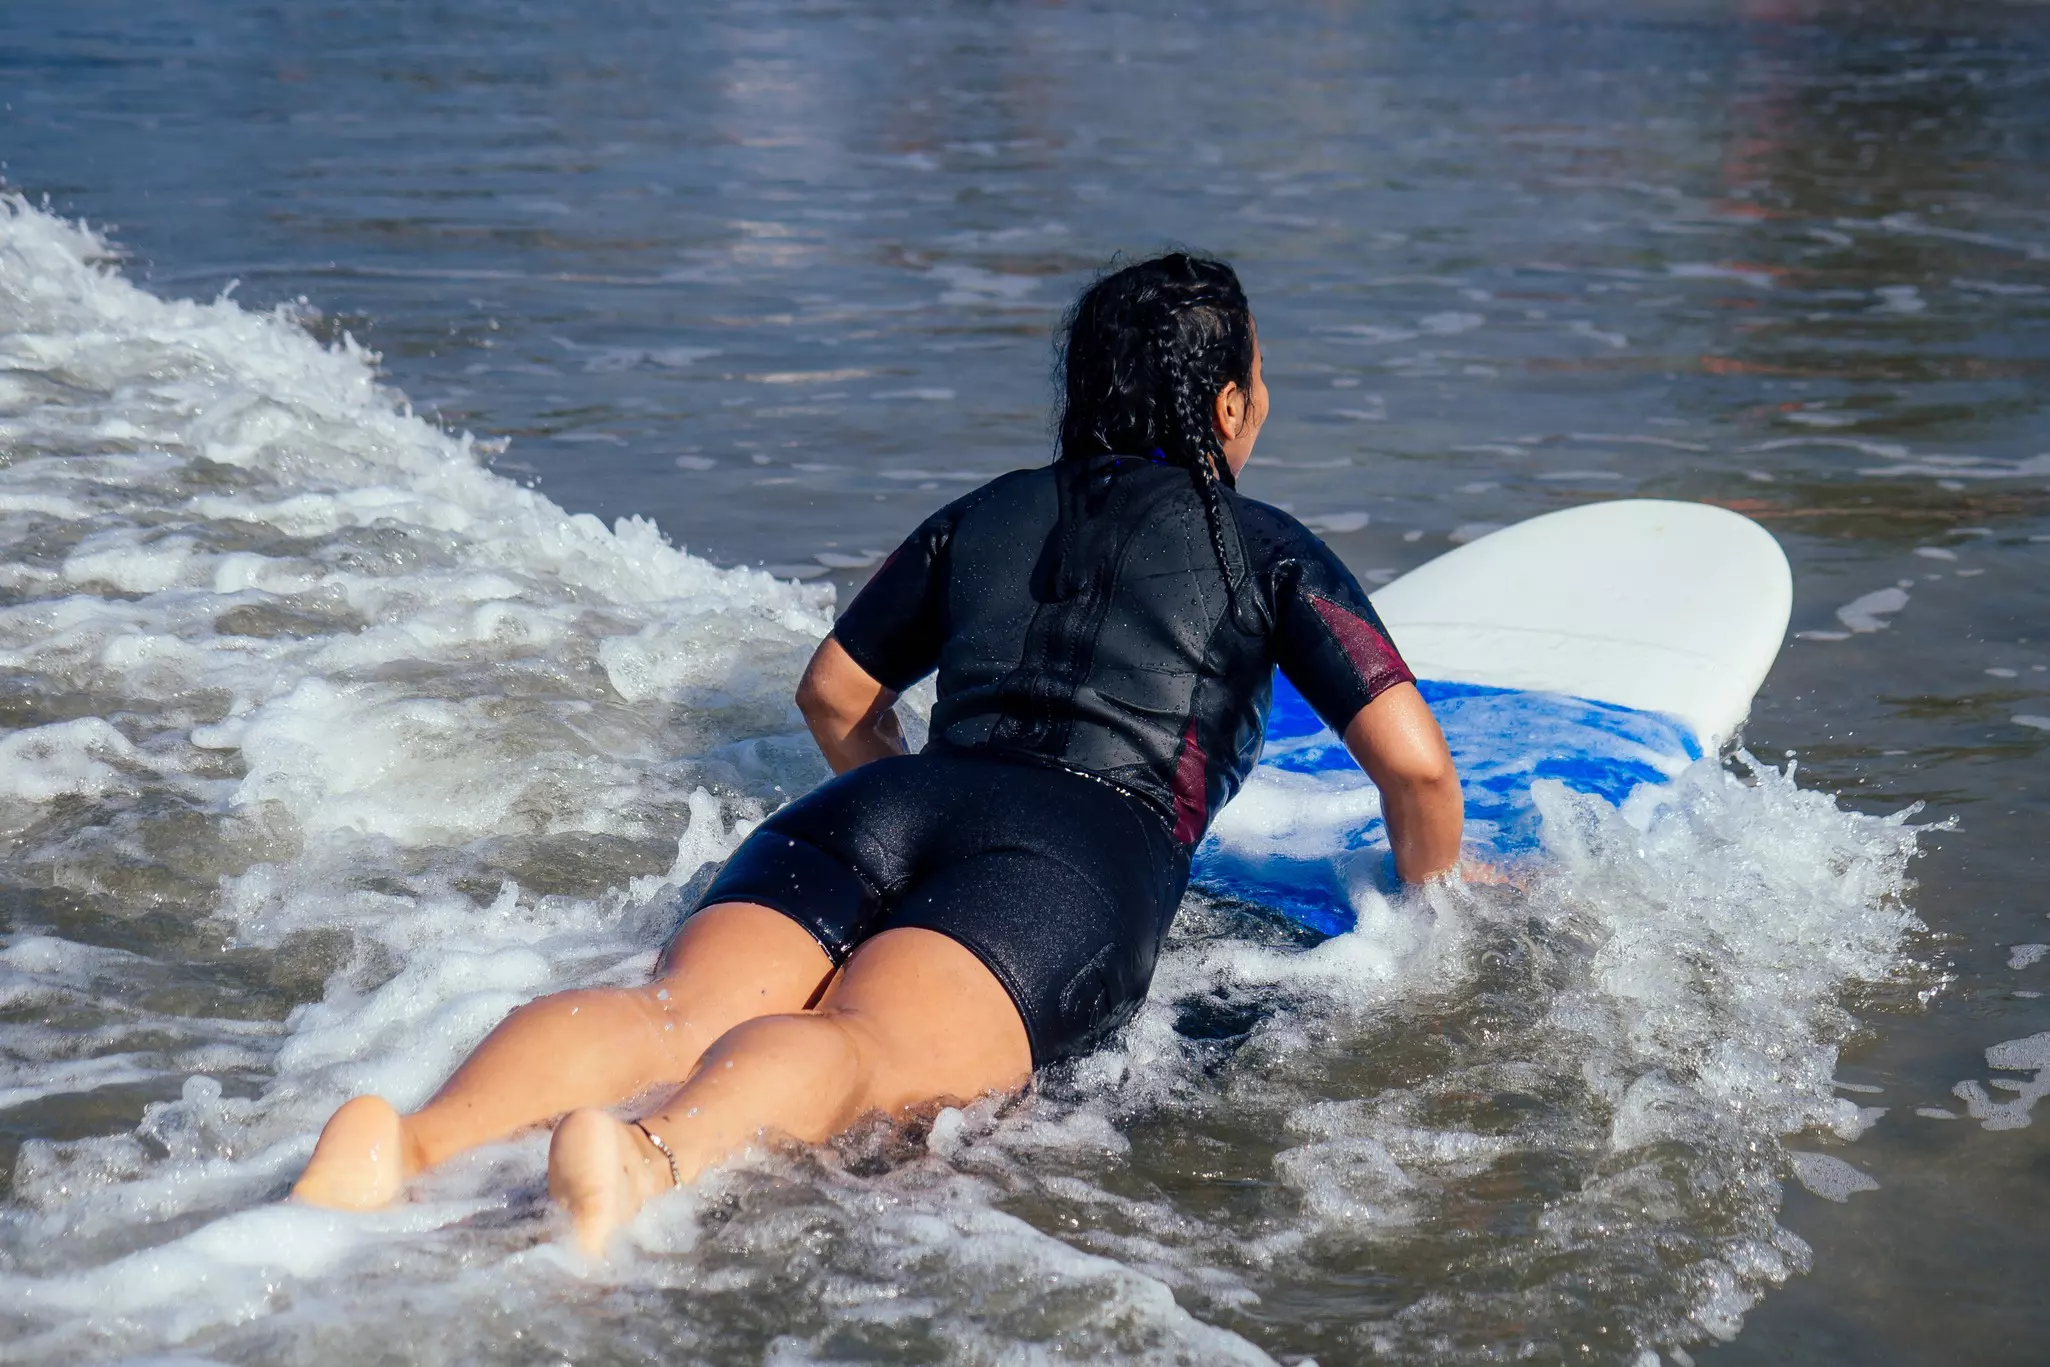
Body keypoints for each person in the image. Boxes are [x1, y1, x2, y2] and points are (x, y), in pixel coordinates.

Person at [291, 252, 1470, 1253]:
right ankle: (645, 1160)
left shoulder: (989, 508)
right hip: (1066, 854)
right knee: (861, 1046)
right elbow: (1414, 766)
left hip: (886, 805)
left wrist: (913, 831)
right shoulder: (1260, 544)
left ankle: (408, 1141)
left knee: (668, 1010)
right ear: (1226, 408)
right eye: (1259, 380)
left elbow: (835, 691)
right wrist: (1436, 900)